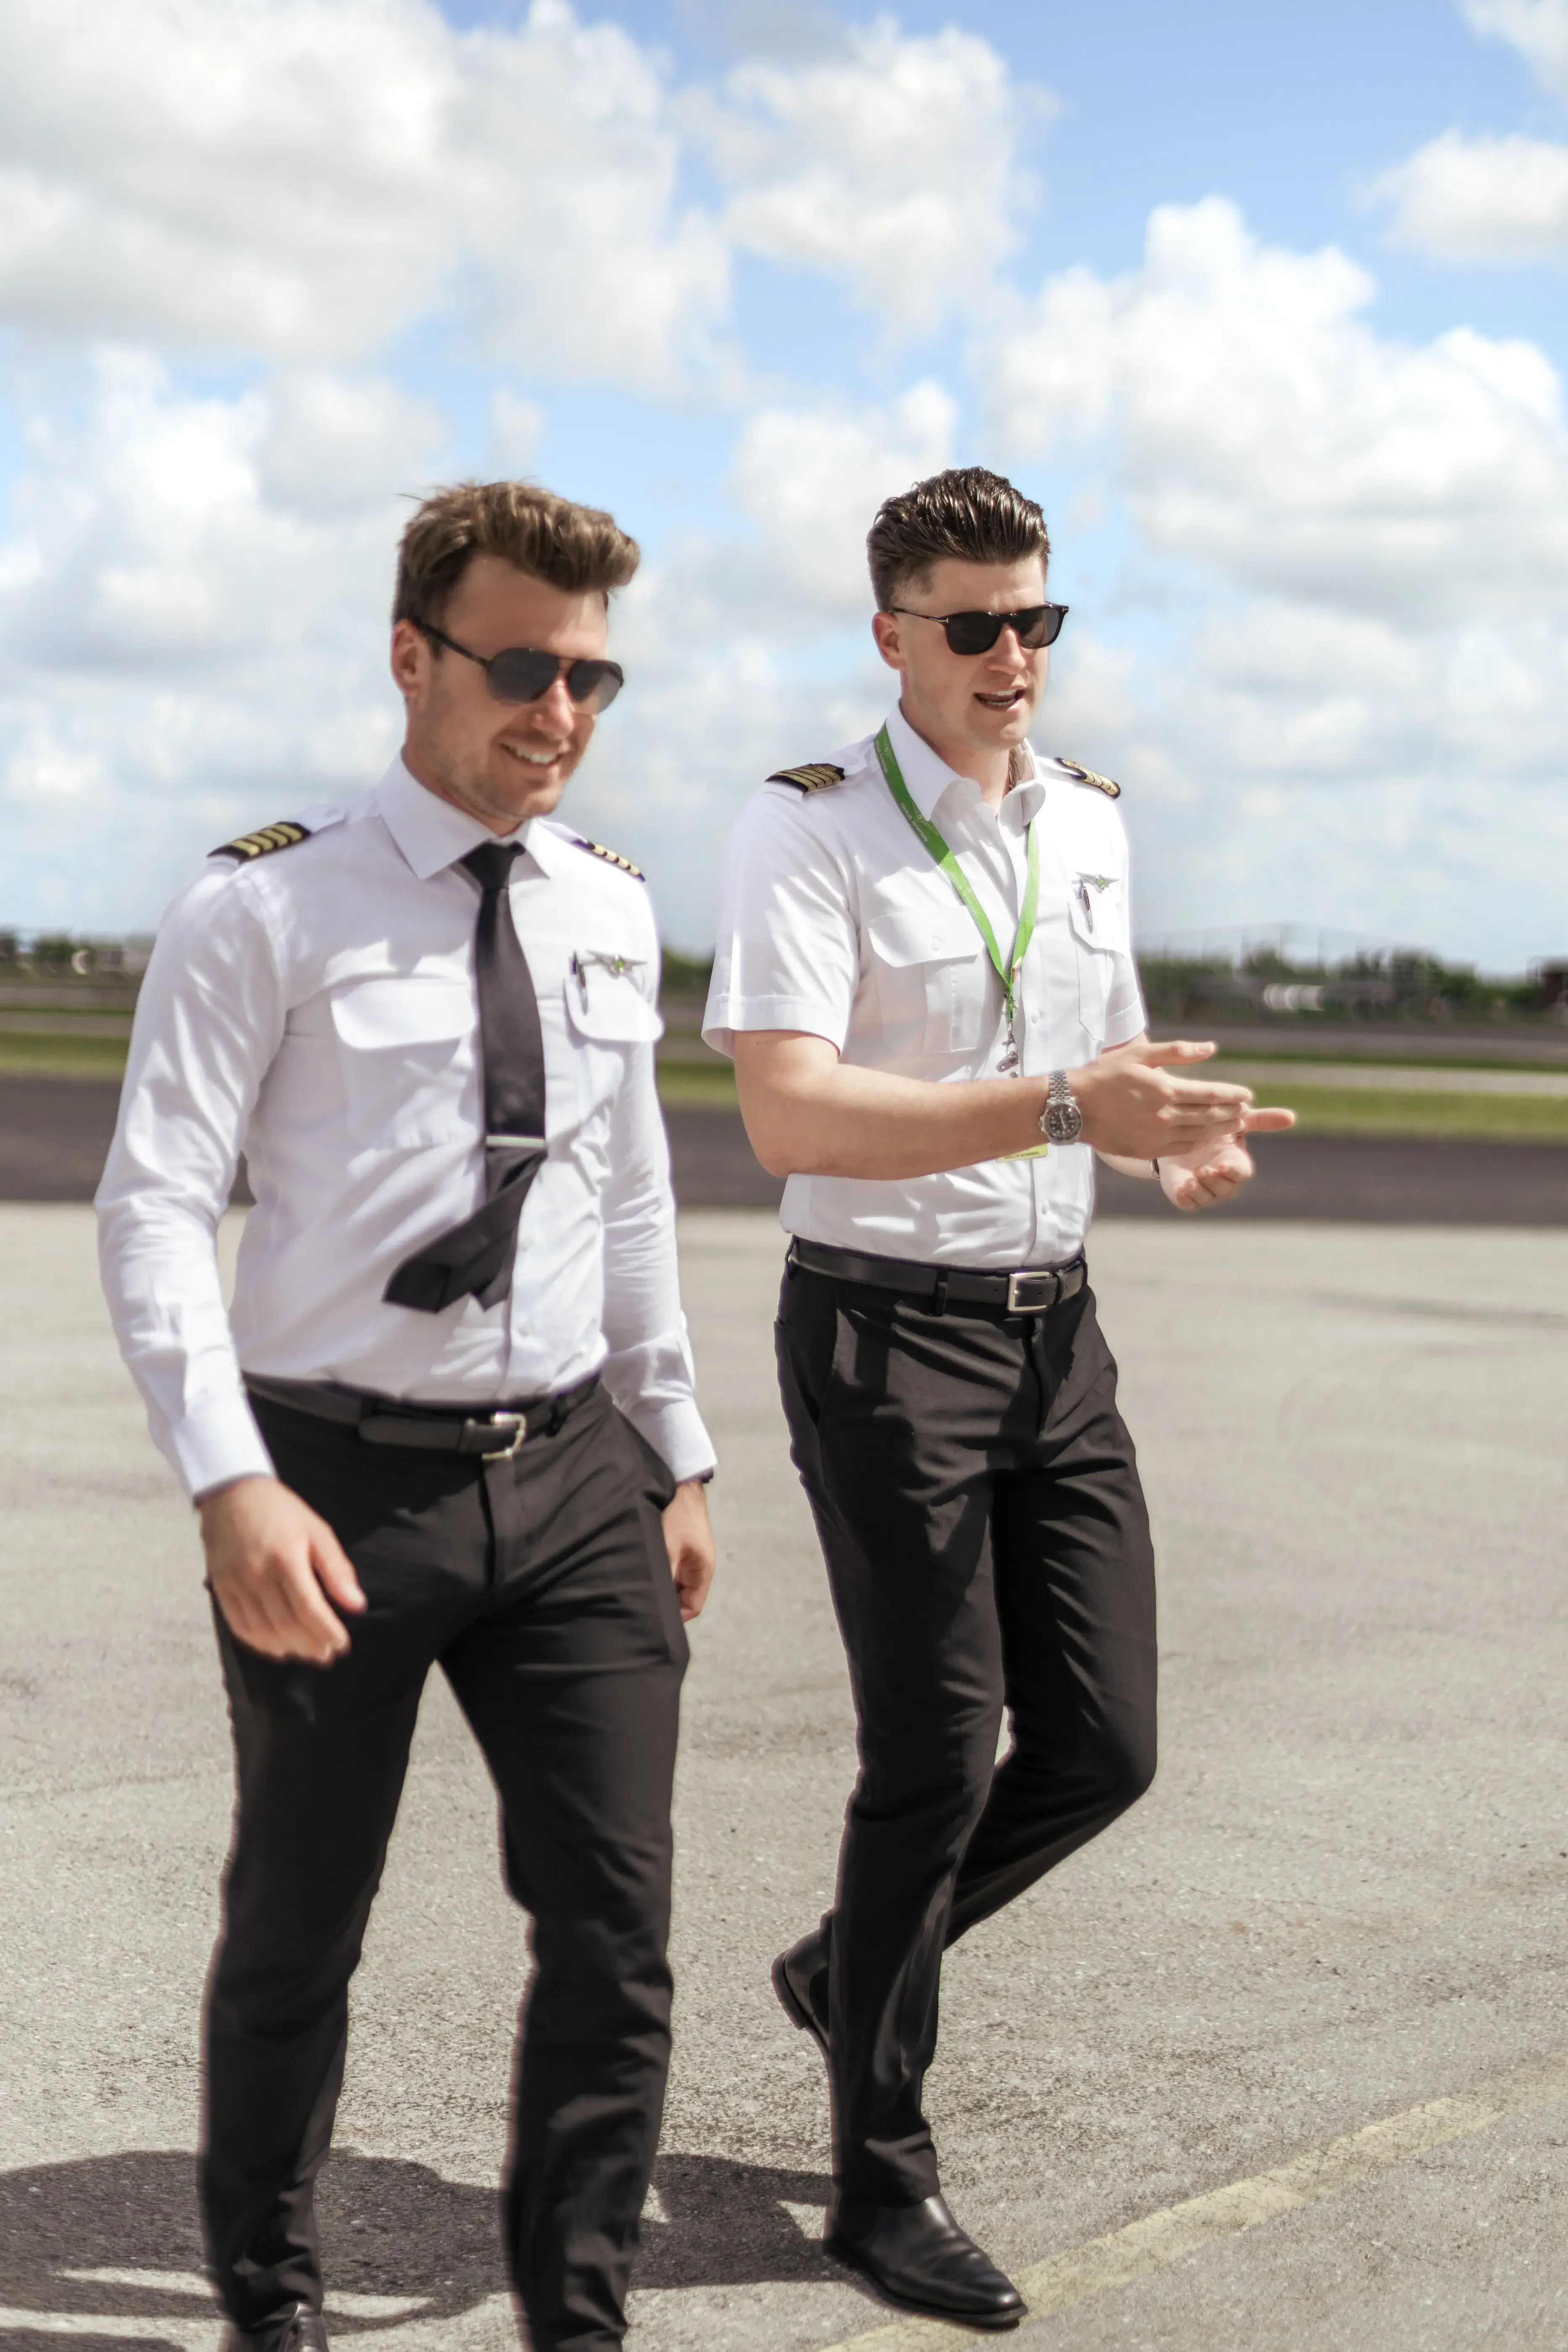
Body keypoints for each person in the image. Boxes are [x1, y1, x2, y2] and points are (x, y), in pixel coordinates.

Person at [97, 481, 717, 2352]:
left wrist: (675, 1445)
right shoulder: (265, 904)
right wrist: (229, 1479)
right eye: (524, 665)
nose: (561, 710)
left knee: (616, 1937)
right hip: (336, 1484)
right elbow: (151, 1202)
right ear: (411, 656)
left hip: (577, 1476)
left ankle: (577, 2317)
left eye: (595, 676)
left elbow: (629, 1198)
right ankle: (272, 2296)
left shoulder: (613, 904)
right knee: (301, 1923)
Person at [702, 466, 1292, 2331]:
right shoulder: (805, 833)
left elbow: (1090, 1054)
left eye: (1039, 619)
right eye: (975, 625)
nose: (1015, 655)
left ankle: (849, 1961)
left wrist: (1154, 1137)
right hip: (887, 1338)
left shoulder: (1093, 823)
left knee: (1107, 1742)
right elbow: (790, 1111)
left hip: (1057, 1333)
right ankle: (882, 2178)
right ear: (893, 636)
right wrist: (1062, 1112)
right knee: (937, 1754)